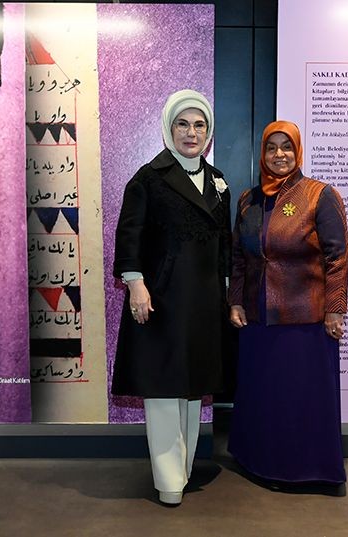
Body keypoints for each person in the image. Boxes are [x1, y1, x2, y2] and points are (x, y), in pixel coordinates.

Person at [111, 89, 232, 506]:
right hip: (160, 300)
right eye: (183, 124)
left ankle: (182, 470)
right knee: (163, 392)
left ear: (208, 133)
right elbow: (129, 235)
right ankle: (168, 482)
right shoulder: (148, 177)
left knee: (192, 389)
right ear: (169, 128)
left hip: (203, 302)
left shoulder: (218, 181)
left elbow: (225, 242)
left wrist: (227, 292)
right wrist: (135, 283)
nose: (191, 133)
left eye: (199, 125)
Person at [227, 120, 348, 493]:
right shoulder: (248, 200)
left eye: (286, 147)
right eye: (271, 147)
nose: (279, 155)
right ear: (262, 153)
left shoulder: (320, 195)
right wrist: (235, 300)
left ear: (297, 152)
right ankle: (260, 463)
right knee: (264, 396)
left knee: (300, 398)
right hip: (257, 319)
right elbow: (238, 257)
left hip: (304, 319)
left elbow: (338, 257)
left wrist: (335, 308)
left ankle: (305, 471)